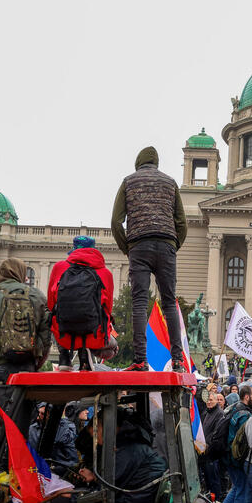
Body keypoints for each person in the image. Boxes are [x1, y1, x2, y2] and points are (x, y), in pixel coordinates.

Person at [0, 257, 52, 493]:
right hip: (27, 375)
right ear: (22, 273)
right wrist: (37, 362)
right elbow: (46, 337)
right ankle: (18, 488)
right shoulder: (37, 296)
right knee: (20, 435)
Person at [111, 146, 187, 372]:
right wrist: (174, 245)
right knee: (169, 303)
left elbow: (116, 221)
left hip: (139, 246)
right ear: (156, 163)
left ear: (138, 163)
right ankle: (178, 361)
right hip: (166, 245)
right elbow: (181, 222)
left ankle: (140, 360)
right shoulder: (170, 183)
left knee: (139, 303)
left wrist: (127, 248)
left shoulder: (128, 182)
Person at [48, 235, 116, 371]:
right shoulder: (105, 273)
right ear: (94, 250)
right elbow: (107, 309)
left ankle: (64, 356)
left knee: (52, 312)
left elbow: (51, 303)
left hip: (63, 335)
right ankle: (86, 353)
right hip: (94, 336)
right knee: (113, 346)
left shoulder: (59, 268)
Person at [219, 387, 252, 503]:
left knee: (237, 487)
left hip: (227, 456)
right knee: (242, 490)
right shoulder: (244, 414)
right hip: (235, 458)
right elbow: (243, 441)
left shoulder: (233, 407)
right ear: (247, 397)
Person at [28, 403, 79, 476]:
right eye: (39, 413)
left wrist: (58, 421)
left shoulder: (68, 426)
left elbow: (59, 439)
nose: (38, 418)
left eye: (43, 414)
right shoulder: (33, 428)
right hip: (39, 468)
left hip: (63, 468)